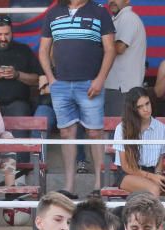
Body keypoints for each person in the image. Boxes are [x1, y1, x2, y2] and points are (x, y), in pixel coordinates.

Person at [39, 0, 116, 195]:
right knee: (66, 134)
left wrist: (100, 79)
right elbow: (43, 50)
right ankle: (69, 188)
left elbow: (110, 49)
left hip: (90, 83)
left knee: (94, 133)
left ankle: (99, 186)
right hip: (61, 85)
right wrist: (51, 78)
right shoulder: (53, 13)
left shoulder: (100, 13)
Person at [111, 87, 165, 223]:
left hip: (152, 172)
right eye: (140, 106)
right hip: (129, 174)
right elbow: (126, 166)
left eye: (147, 103)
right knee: (153, 189)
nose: (146, 109)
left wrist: (158, 174)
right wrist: (152, 177)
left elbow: (160, 158)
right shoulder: (122, 128)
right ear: (133, 109)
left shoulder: (161, 127)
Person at [0, 15, 43, 119]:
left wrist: (17, 75)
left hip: (18, 105)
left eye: (7, 34)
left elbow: (38, 79)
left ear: (12, 32)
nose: (3, 38)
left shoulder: (24, 50)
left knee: (21, 113)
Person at [104, 0, 147, 117]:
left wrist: (95, 44)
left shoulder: (128, 17)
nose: (111, 1)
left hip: (122, 88)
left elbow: (119, 48)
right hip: (118, 87)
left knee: (117, 131)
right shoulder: (117, 19)